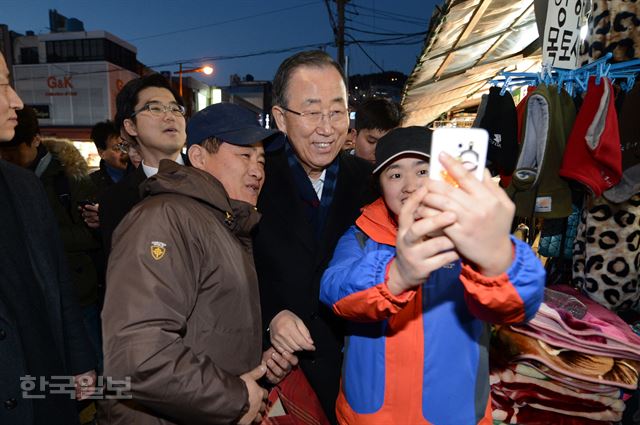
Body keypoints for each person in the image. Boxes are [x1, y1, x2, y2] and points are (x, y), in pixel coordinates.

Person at [320, 126, 545, 425]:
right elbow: (334, 291)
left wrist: (499, 259)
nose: (409, 186)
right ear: (380, 184)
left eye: (423, 171)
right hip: (370, 416)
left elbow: (517, 305)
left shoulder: (469, 238)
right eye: (395, 174)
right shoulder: (361, 236)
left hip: (454, 415)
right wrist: (396, 274)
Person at [101, 103, 295, 425]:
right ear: (198, 157)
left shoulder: (226, 225)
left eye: (262, 160)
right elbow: (139, 355)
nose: (258, 170)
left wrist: (255, 357)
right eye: (244, 155)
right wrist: (234, 397)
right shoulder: (165, 218)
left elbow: (207, 328)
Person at [253, 50, 375, 423]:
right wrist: (269, 322)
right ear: (281, 119)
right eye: (311, 111)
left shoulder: (372, 182)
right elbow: (230, 273)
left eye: (337, 112)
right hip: (279, 369)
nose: (327, 127)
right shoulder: (254, 180)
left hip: (358, 367)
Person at [0, 51, 96, 425]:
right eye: (4, 85)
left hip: (44, 391)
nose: (17, 101)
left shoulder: (24, 186)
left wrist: (80, 362)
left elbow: (57, 282)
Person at [0, 106, 104, 372]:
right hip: (32, 296)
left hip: (79, 293)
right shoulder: (9, 180)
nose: (10, 158)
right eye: (5, 153)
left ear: (35, 140)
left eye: (15, 151)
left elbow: (90, 233)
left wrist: (42, 238)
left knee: (91, 362)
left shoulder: (69, 178)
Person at [95, 73, 187, 252]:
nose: (170, 116)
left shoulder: (213, 178)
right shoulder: (115, 201)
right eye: (155, 108)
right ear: (131, 126)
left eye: (175, 109)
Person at [352, 98, 402, 163]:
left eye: (388, 144)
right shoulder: (337, 168)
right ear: (354, 136)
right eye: (371, 141)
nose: (378, 152)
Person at [89, 120, 128, 193]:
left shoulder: (141, 176)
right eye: (117, 148)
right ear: (101, 153)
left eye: (126, 146)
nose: (125, 152)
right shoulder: (90, 184)